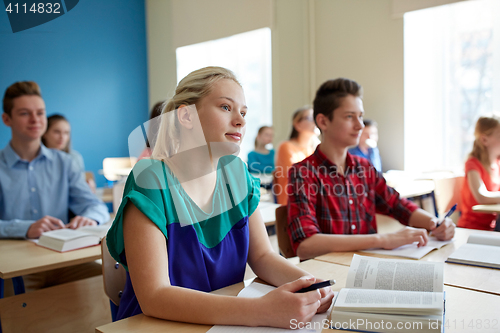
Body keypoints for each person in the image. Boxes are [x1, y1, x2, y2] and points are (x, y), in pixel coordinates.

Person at [106, 67, 334, 327]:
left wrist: (310, 284)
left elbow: (262, 257)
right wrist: (261, 311)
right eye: (226, 107)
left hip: (225, 321)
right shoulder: (151, 178)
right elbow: (154, 296)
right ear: (186, 115)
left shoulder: (237, 173)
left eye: (244, 112)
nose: (240, 120)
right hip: (157, 325)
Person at [287, 78, 455, 260]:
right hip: (327, 276)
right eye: (350, 116)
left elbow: (397, 205)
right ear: (323, 121)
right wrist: (383, 239)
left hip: (367, 271)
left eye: (360, 116)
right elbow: (305, 245)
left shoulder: (364, 168)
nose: (360, 125)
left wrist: (435, 223)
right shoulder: (303, 173)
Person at [0, 81, 110, 293]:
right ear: (7, 119)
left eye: (40, 113)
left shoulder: (65, 162)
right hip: (17, 269)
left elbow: (95, 206)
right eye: (25, 113)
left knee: (107, 287)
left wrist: (90, 217)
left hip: (62, 260)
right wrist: (26, 228)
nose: (35, 120)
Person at [458, 116, 500, 230]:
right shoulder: (472, 164)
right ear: (484, 140)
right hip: (472, 227)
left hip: (492, 226)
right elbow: (481, 197)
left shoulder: (497, 164)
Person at [274, 106, 317, 205]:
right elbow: (298, 177)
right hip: (292, 202)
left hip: (310, 200)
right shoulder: (286, 146)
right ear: (297, 124)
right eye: (310, 118)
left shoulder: (312, 150)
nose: (315, 122)